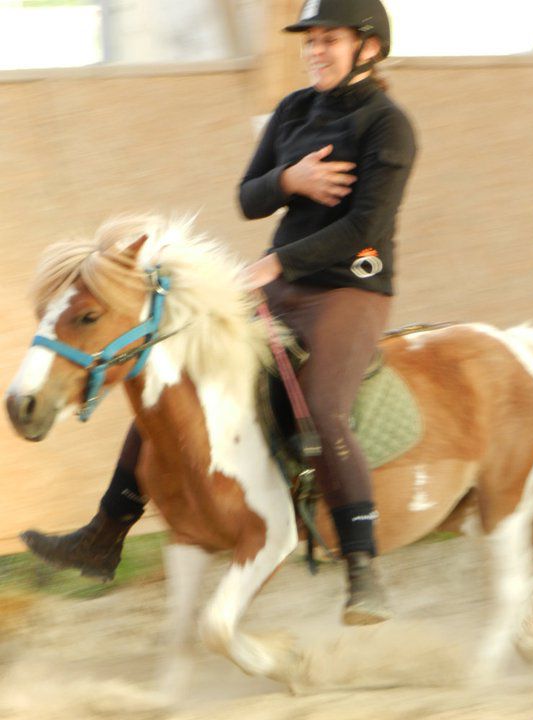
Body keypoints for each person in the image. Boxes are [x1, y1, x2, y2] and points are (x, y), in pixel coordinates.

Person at [21, 0, 416, 625]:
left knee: (323, 406)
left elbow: (365, 226)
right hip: (279, 280)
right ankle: (104, 532)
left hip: (349, 289)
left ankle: (363, 568)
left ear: (368, 48)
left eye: (330, 40)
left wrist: (279, 263)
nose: (315, 51)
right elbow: (248, 198)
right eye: (310, 41)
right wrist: (289, 181)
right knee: (169, 364)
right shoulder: (293, 109)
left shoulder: (388, 126)